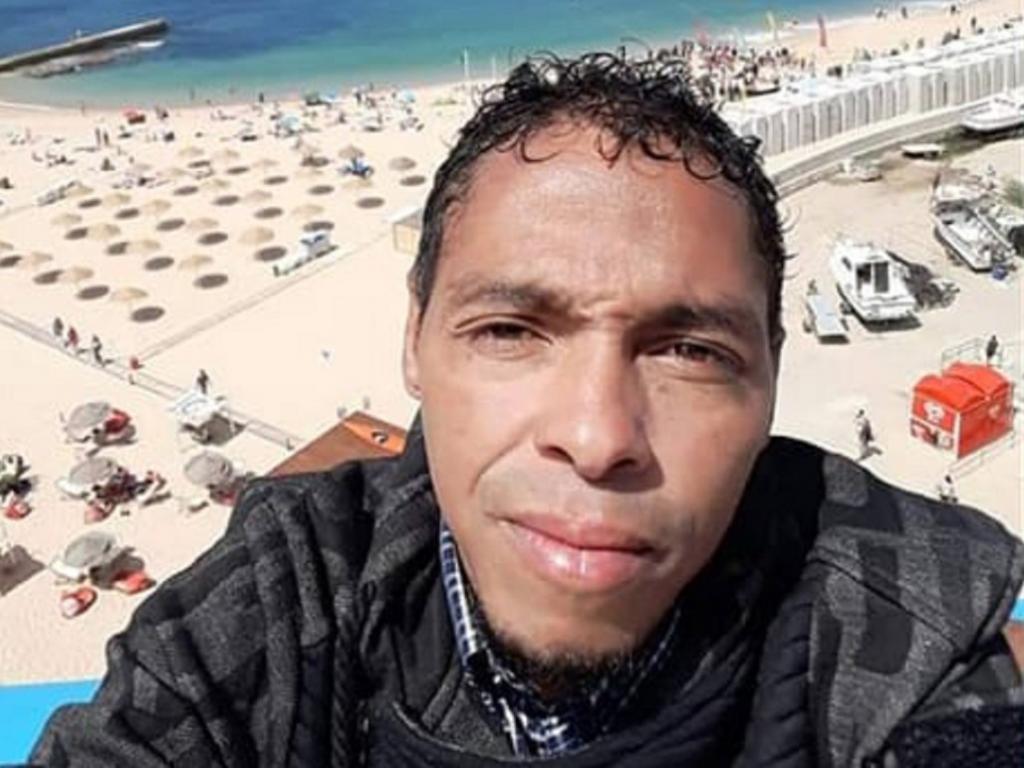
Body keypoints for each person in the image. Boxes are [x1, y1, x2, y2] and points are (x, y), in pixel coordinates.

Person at [31, 53, 1024, 767]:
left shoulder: (899, 626)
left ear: (769, 377)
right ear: (415, 341)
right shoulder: (289, 597)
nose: (595, 439)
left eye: (688, 351)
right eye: (510, 330)